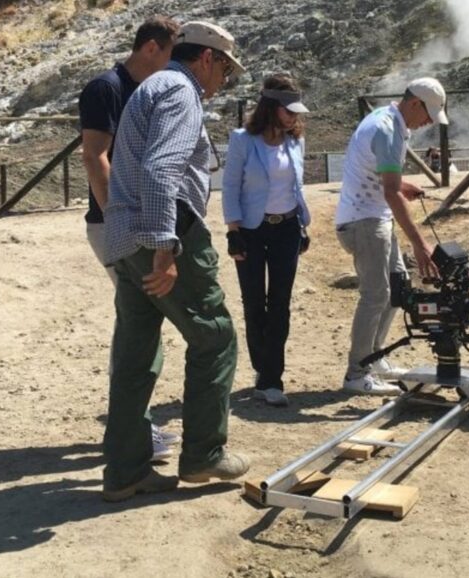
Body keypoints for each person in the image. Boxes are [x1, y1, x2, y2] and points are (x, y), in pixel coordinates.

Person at [100, 21, 249, 502]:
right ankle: (204, 455)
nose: (223, 79)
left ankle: (125, 471)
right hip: (164, 235)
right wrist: (166, 249)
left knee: (136, 354)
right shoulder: (180, 91)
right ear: (206, 58)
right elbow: (162, 170)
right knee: (215, 338)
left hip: (124, 239)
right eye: (224, 68)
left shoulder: (151, 87)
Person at [78, 15, 181, 461]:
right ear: (153, 48)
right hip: (115, 224)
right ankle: (133, 433)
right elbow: (94, 156)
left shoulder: (146, 91)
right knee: (138, 327)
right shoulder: (107, 88)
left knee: (138, 323)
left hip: (133, 221)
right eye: (173, 55)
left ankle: (133, 429)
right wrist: (118, 217)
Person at [334, 77, 447, 395]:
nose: (428, 122)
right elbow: (390, 191)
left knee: (397, 287)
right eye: (428, 114)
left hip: (374, 218)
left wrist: (402, 185)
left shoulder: (391, 122)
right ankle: (356, 374)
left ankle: (375, 357)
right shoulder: (387, 130)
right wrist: (420, 243)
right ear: (414, 104)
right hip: (364, 221)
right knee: (376, 295)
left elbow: (384, 179)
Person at [222, 74, 311, 408]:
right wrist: (233, 231)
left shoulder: (296, 141)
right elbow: (230, 186)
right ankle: (263, 371)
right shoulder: (243, 140)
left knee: (281, 304)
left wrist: (303, 225)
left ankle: (272, 377)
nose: (294, 117)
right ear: (271, 107)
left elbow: (296, 187)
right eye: (288, 111)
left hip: (288, 227)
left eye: (296, 112)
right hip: (251, 230)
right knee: (253, 302)